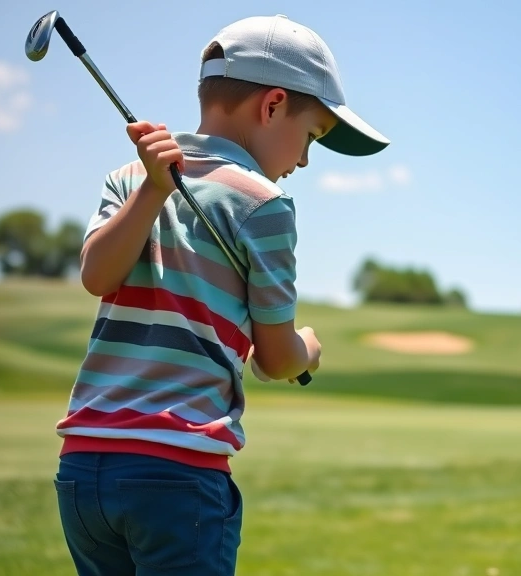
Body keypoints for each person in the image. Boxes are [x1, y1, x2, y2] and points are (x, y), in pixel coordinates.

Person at [51, 14, 389, 575]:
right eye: (312, 137)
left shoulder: (129, 177)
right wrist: (308, 348)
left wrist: (150, 192)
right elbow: (276, 359)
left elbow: (96, 275)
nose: (304, 159)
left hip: (84, 470)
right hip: (179, 474)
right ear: (273, 104)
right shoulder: (264, 204)